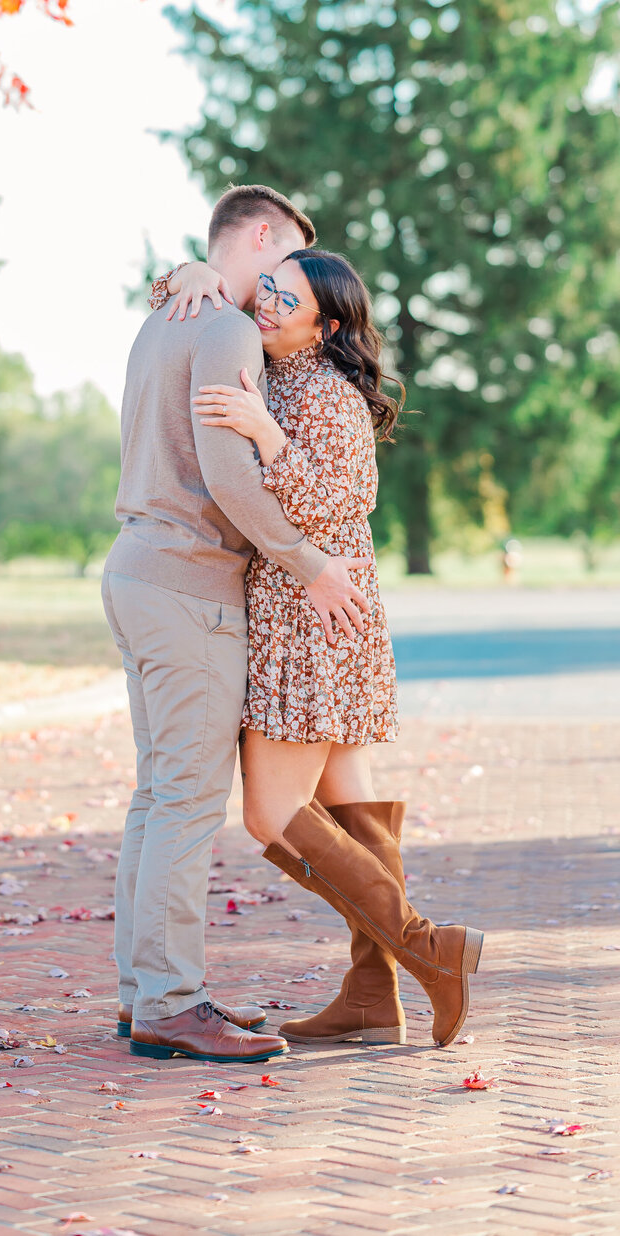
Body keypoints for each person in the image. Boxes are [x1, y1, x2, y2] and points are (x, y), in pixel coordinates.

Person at [161, 244, 484, 1048]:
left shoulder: (323, 393)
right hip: (315, 608)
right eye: (265, 288)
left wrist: (267, 435)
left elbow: (348, 503)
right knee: (352, 803)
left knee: (272, 813)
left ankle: (427, 950)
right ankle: (373, 995)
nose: (266, 304)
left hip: (312, 615)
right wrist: (190, 275)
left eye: (286, 299)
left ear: (325, 325)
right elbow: (184, 294)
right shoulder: (281, 368)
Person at [102, 184, 376, 1065]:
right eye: (289, 255)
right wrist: (309, 563)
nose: (284, 281)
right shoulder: (221, 326)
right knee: (184, 802)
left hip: (136, 570)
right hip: (191, 585)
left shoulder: (164, 320)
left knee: (155, 798)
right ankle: (172, 1004)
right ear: (261, 237)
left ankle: (144, 992)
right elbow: (229, 476)